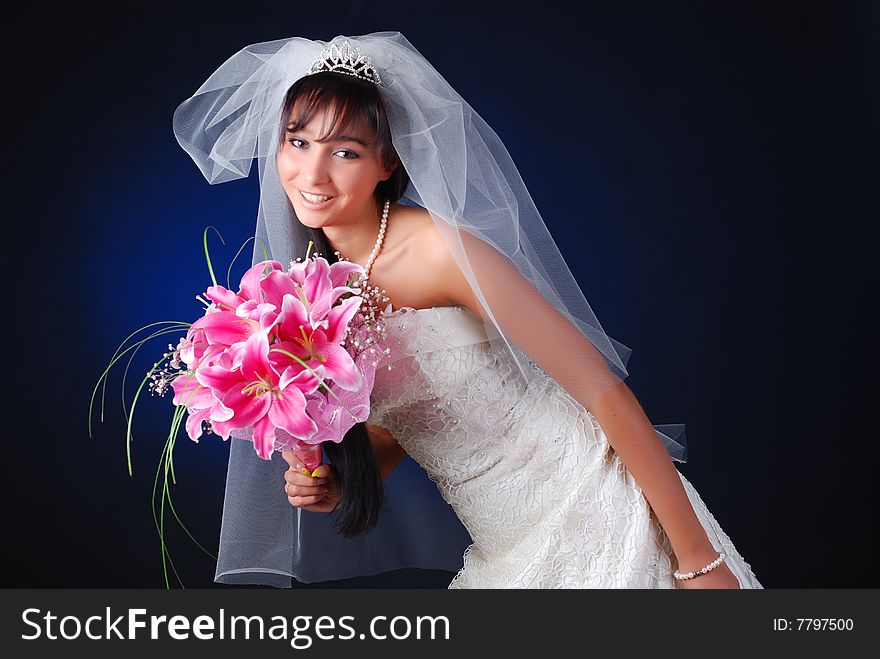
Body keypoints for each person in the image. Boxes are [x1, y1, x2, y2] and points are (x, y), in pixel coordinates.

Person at [173, 32, 763, 588]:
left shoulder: (441, 251)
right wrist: (337, 486)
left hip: (593, 501)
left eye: (345, 151)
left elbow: (603, 391)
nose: (313, 173)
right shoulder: (305, 292)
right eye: (298, 143)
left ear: (387, 164)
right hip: (504, 543)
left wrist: (696, 560)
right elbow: (405, 419)